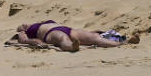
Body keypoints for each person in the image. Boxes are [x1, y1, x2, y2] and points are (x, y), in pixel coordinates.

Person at [8, 22, 138, 52]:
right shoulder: (23, 31)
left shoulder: (42, 22)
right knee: (62, 39)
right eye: (21, 25)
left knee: (94, 37)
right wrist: (36, 41)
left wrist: (93, 31)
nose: (23, 24)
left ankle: (124, 43)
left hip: (69, 29)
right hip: (49, 34)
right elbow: (25, 41)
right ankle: (72, 47)